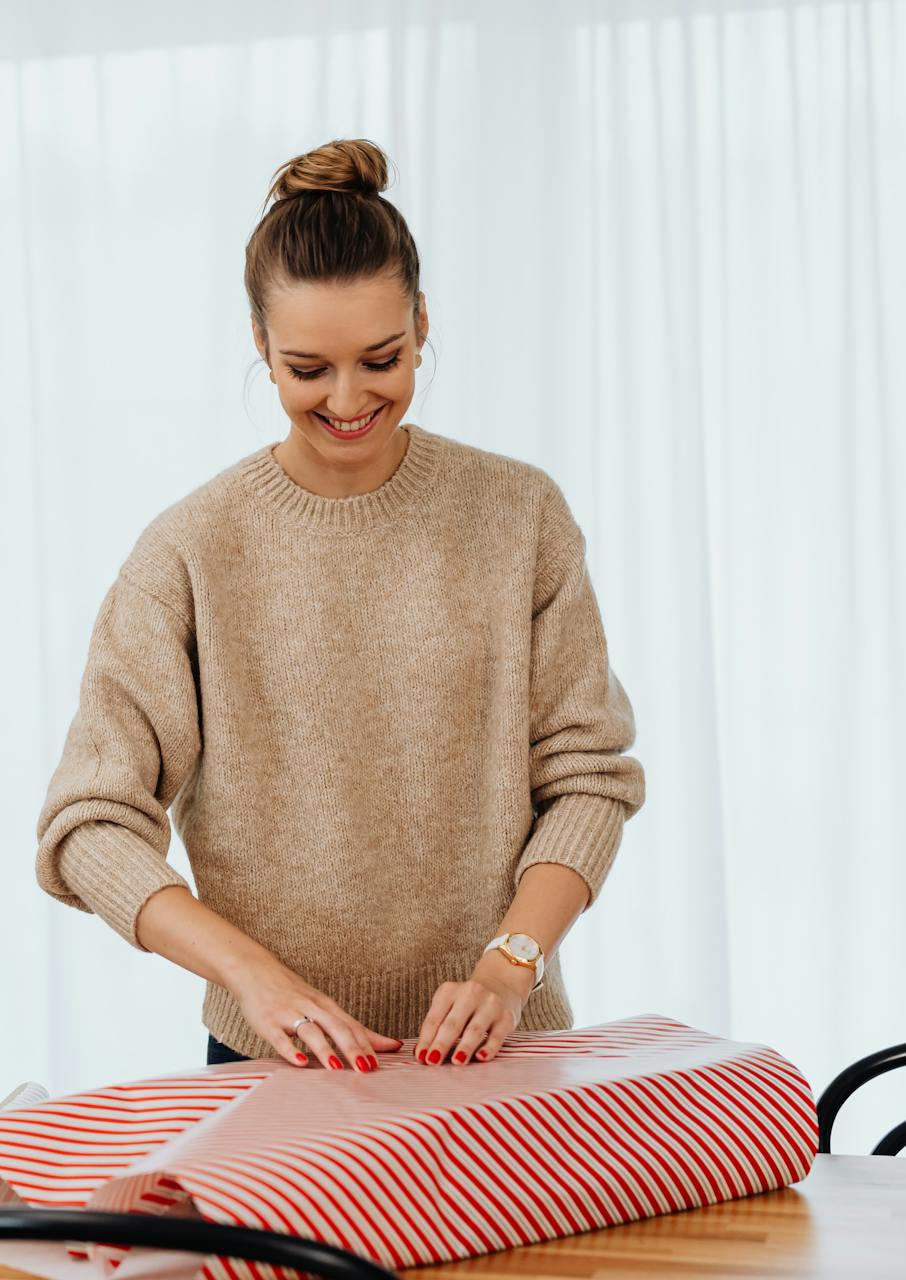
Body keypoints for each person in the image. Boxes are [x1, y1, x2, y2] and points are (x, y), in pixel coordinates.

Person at [34, 138, 646, 1074]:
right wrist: (252, 979)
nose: (350, 399)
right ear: (259, 347)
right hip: (271, 1063)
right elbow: (89, 825)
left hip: (503, 1044)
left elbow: (588, 778)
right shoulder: (191, 551)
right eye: (308, 368)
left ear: (424, 322)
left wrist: (510, 964)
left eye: (382, 358)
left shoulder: (520, 515)